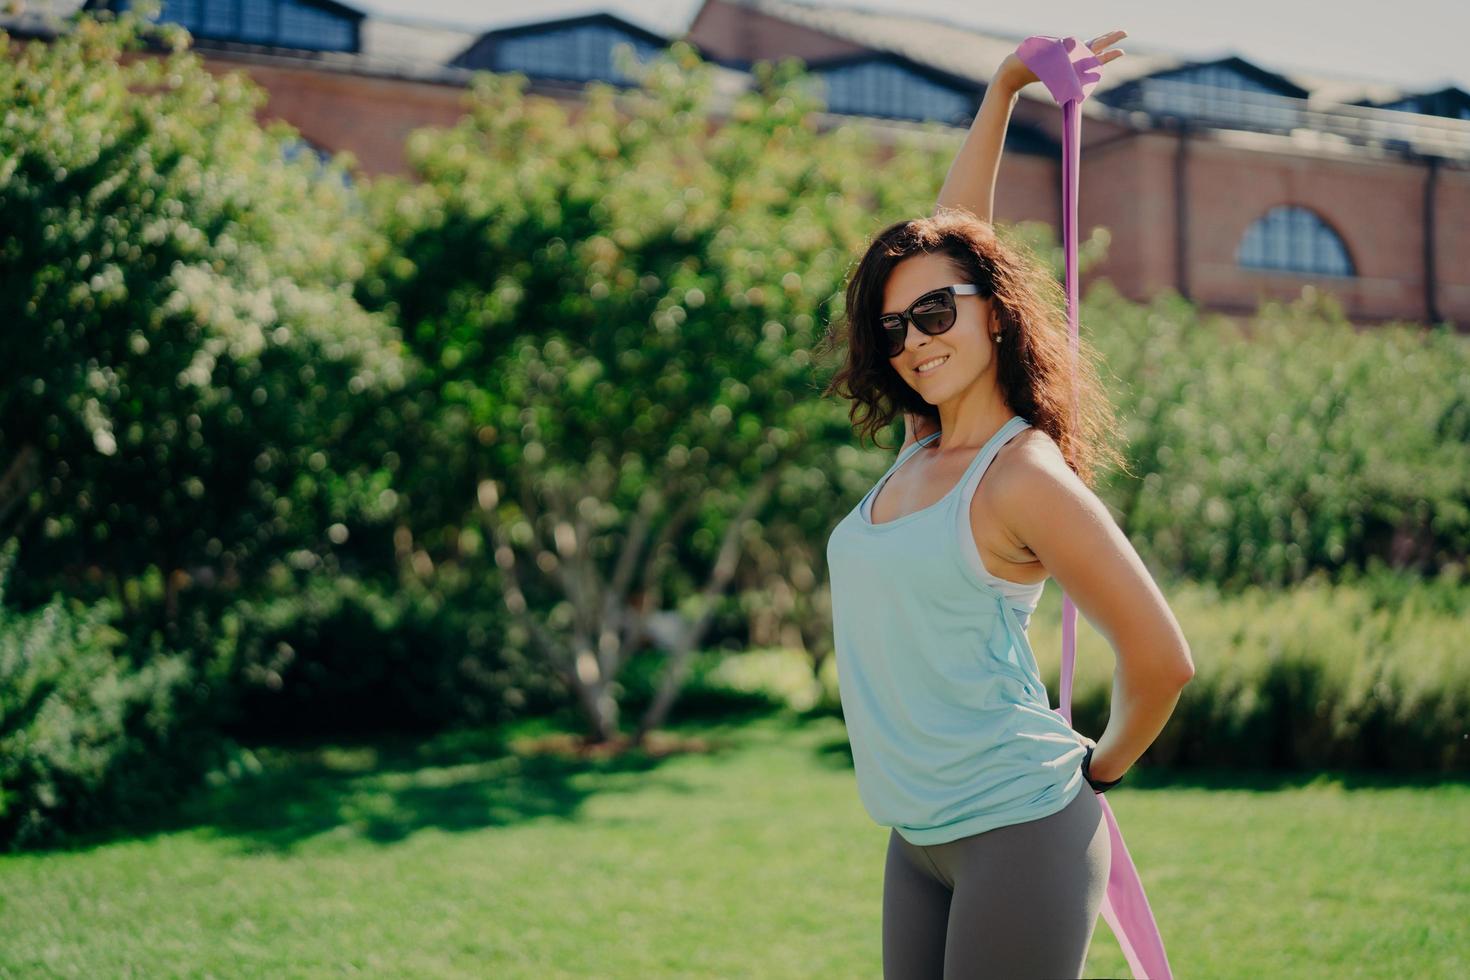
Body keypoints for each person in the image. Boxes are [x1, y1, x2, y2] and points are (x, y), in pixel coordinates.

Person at [820, 30, 1195, 979]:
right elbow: (955, 231)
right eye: (894, 326)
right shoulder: (921, 445)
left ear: (993, 309)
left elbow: (1161, 660)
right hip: (916, 838)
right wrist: (1004, 88)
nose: (913, 340)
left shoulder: (1021, 475)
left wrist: (1098, 770)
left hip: (1020, 829)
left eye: (937, 314)